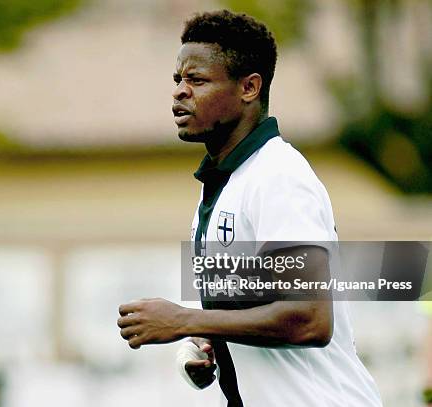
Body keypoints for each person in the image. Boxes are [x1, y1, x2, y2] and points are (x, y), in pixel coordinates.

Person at [117, 10, 382, 406]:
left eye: (197, 80)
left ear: (249, 88)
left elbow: (309, 317)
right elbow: (255, 308)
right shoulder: (224, 185)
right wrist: (209, 345)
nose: (179, 91)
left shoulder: (279, 176)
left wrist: (182, 320)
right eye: (177, 80)